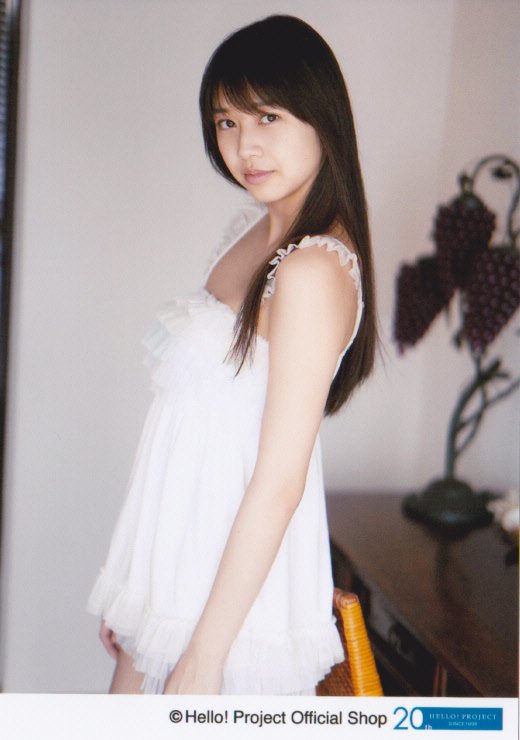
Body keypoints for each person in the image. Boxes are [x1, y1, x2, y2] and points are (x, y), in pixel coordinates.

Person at [87, 14, 376, 696]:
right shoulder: (249, 232)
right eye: (226, 122)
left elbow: (279, 480)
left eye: (267, 116)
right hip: (176, 574)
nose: (245, 145)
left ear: (322, 117)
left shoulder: (312, 270)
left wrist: (204, 656)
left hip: (226, 608)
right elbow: (189, 431)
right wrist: (140, 583)